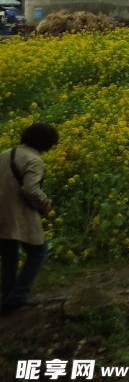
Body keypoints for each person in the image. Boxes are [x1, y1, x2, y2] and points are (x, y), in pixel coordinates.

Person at [0, 122, 59, 316]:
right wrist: (45, 202)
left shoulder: (5, 154)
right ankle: (19, 295)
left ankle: (7, 297)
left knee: (9, 256)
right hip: (19, 214)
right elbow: (30, 189)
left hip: (2, 214)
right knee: (38, 251)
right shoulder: (34, 160)